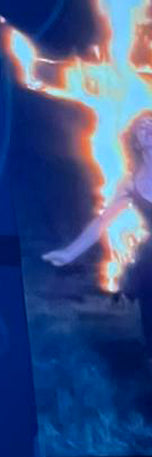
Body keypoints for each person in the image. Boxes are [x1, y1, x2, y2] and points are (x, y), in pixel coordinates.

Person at [44, 113, 152, 356]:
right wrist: (69, 253)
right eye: (142, 127)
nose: (148, 129)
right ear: (136, 141)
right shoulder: (130, 183)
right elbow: (102, 222)